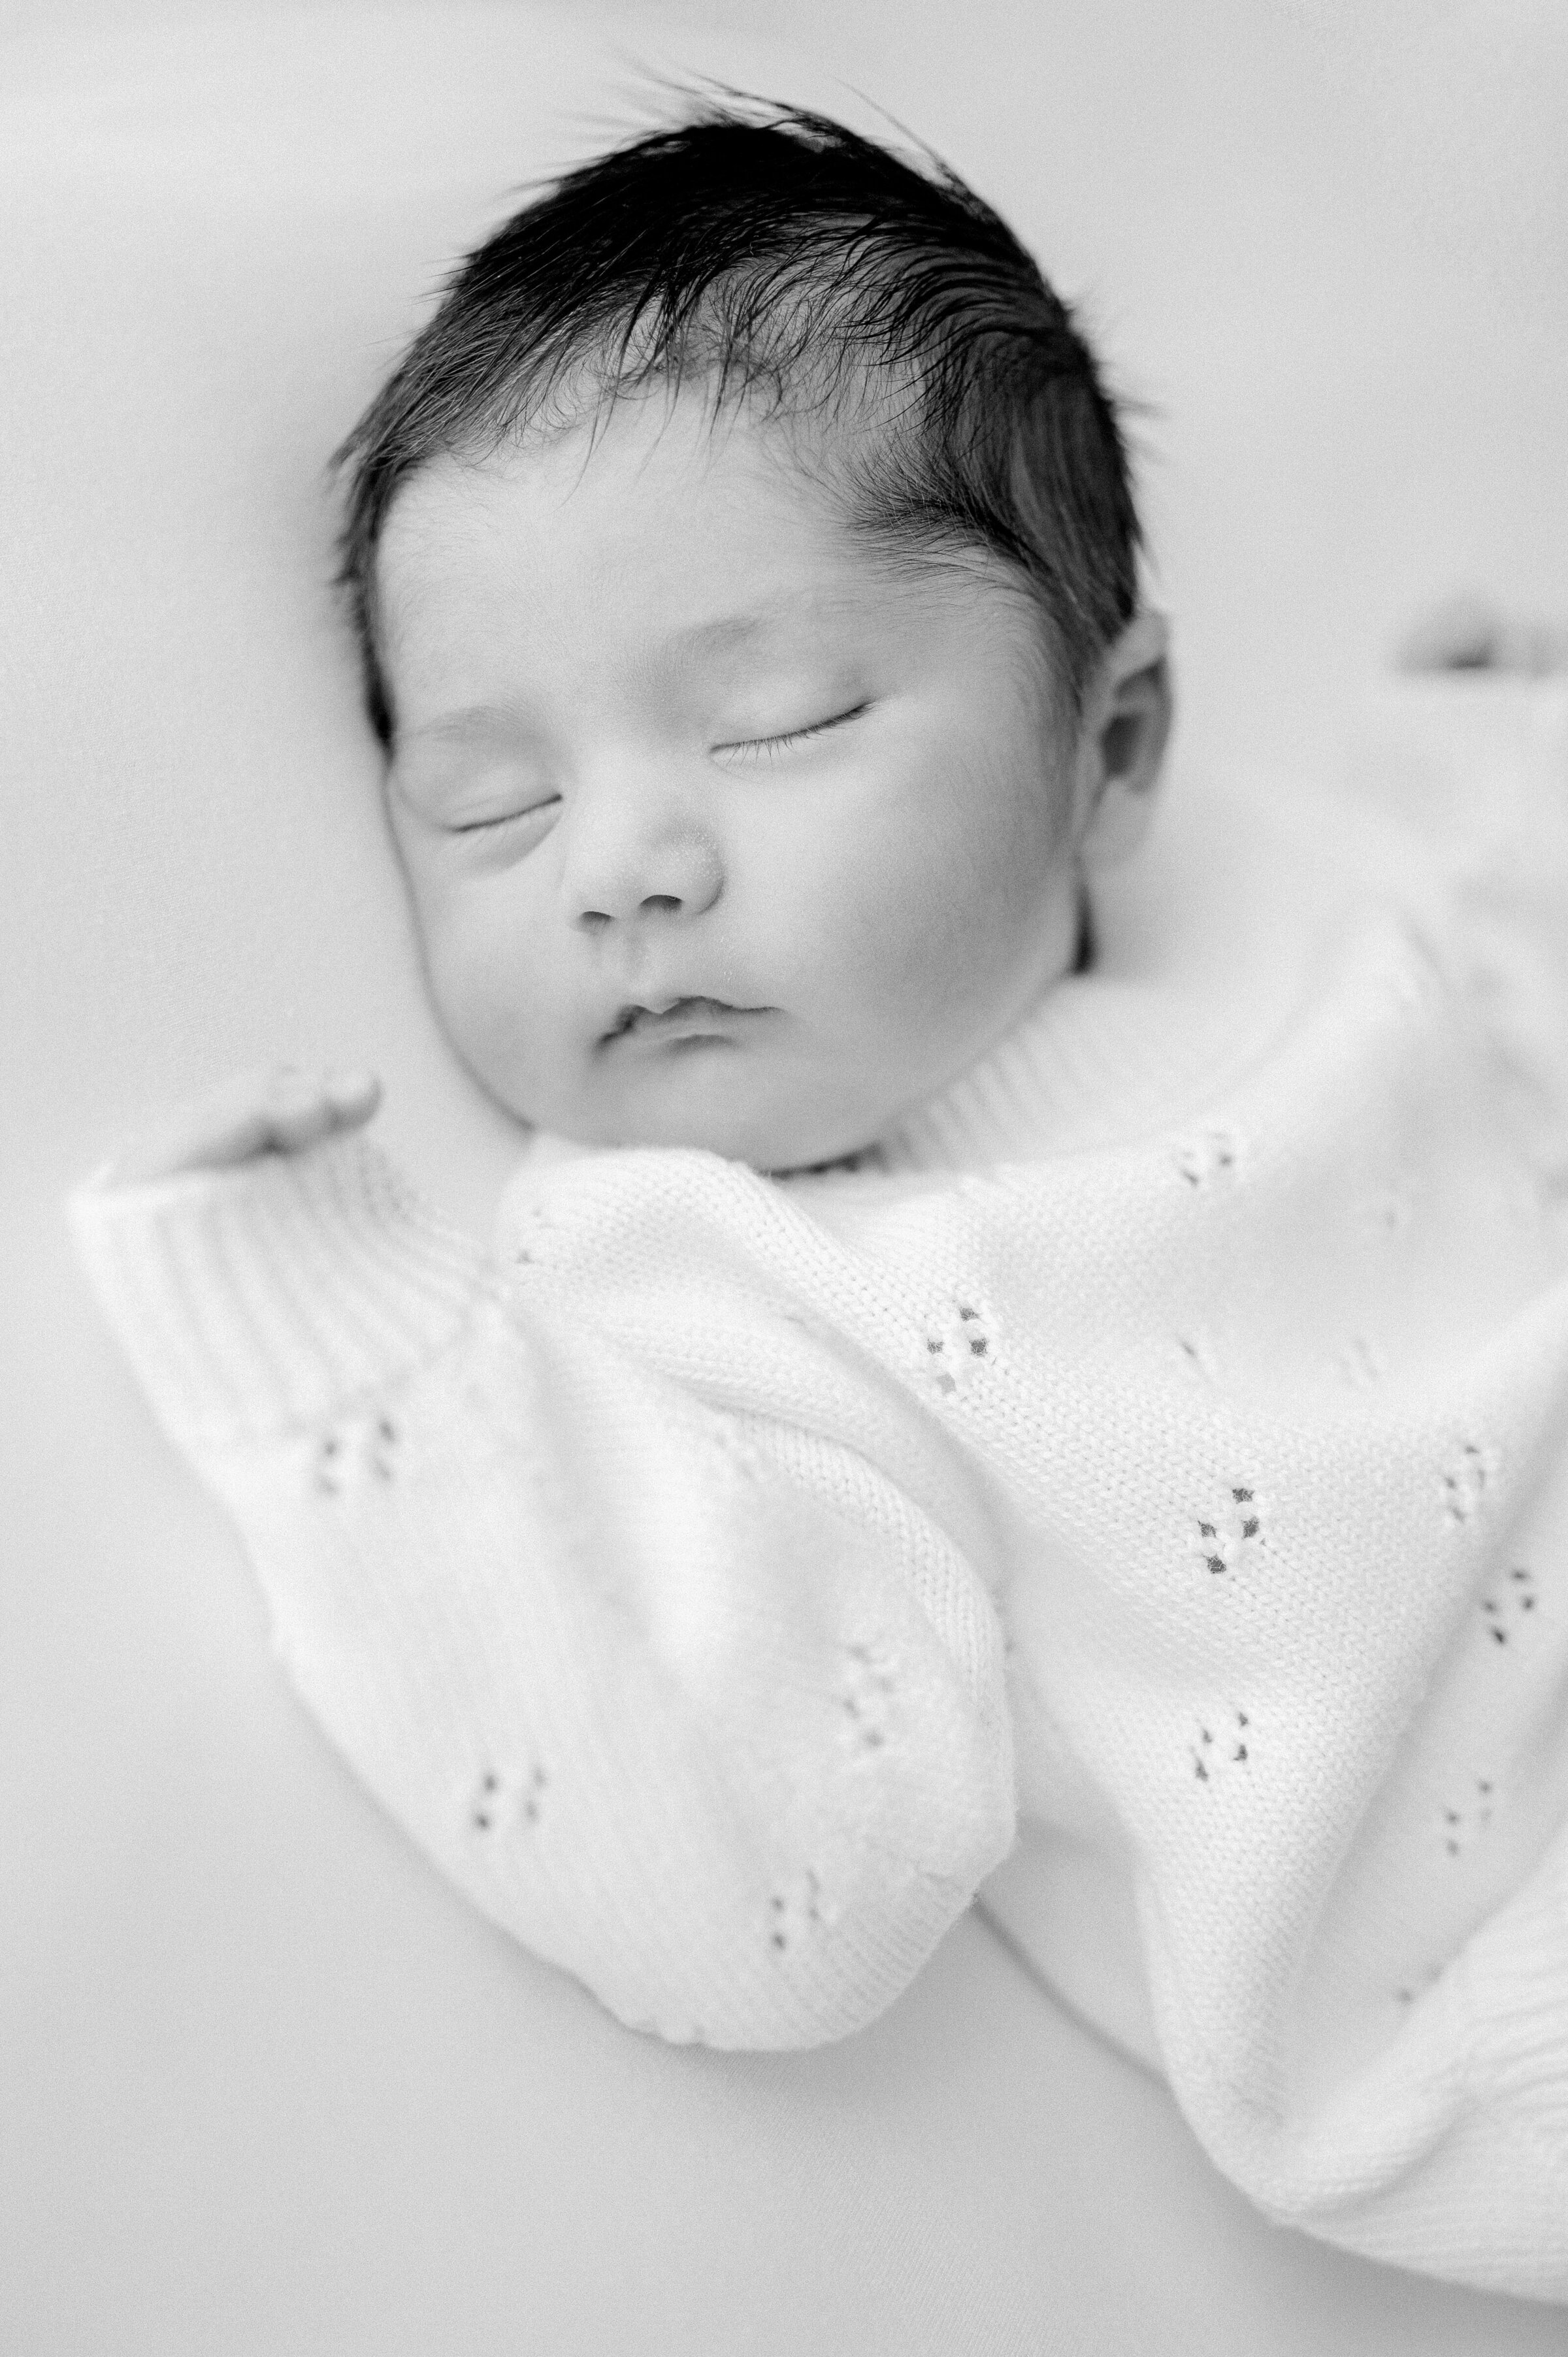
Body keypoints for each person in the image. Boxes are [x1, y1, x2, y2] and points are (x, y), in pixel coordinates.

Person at [67, 102, 1568, 2298]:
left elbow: (1498, 969)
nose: (626, 863)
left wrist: (1493, 755)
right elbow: (771, 1878)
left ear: (1115, 747)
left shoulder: (1276, 878)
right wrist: (345, 1350)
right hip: (1493, 1988)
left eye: (775, 723)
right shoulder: (709, 1285)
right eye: (491, 805)